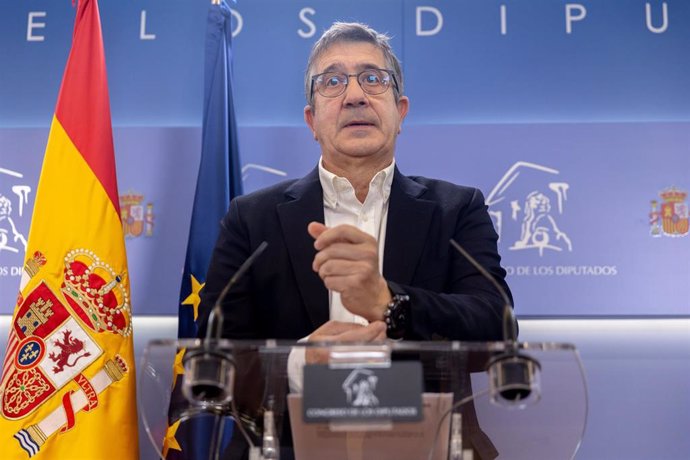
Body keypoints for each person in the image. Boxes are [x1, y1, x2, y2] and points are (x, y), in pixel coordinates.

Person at [196, 21, 510, 460]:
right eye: (332, 82)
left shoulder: (457, 209)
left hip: (429, 445)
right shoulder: (252, 219)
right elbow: (213, 357)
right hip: (287, 446)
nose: (356, 94)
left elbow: (498, 329)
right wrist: (301, 363)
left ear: (401, 111)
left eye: (373, 78)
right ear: (311, 120)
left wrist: (389, 302)